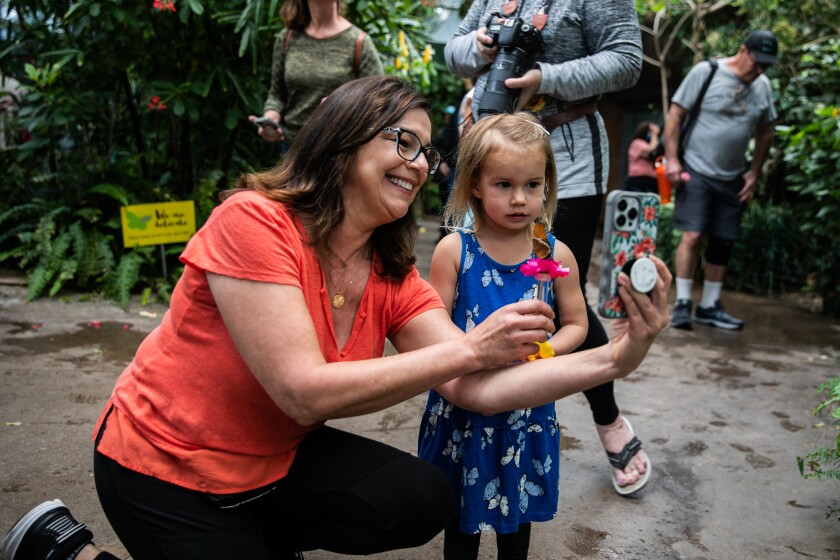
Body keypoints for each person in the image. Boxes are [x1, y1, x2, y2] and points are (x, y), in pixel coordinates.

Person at [2, 76, 671, 560]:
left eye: (427, 153)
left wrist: (616, 358)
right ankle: (63, 550)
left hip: (273, 462)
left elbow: (477, 391)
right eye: (403, 141)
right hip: (162, 467)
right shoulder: (254, 221)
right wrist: (473, 347)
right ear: (344, 137)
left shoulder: (392, 273)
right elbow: (299, 389)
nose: (419, 164)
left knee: (423, 497)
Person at [444, 0, 652, 495]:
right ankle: (476, 396)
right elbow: (454, 51)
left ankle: (607, 420)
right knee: (479, 283)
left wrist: (545, 76)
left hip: (563, 163)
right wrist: (478, 46)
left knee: (560, 294)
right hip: (489, 157)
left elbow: (626, 59)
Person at [418, 112, 588, 559]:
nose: (520, 199)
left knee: (518, 523)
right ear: (475, 183)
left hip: (525, 411)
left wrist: (544, 351)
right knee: (461, 524)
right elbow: (431, 331)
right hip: (464, 411)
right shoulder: (455, 251)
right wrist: (475, 352)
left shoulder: (552, 253)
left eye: (532, 185)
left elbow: (578, 325)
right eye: (504, 185)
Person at [664, 30, 778, 331]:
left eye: (766, 65)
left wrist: (754, 171)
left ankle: (710, 305)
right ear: (743, 50)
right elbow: (675, 115)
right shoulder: (707, 71)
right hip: (697, 169)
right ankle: (684, 302)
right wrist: (673, 159)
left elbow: (765, 132)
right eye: (757, 62)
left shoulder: (762, 86)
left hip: (734, 175)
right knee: (693, 235)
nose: (760, 70)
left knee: (723, 240)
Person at [249, 0, 383, 147]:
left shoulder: (359, 42)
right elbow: (277, 95)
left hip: (337, 150)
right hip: (293, 148)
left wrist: (341, 107)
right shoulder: (288, 38)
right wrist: (270, 121)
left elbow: (378, 101)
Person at [433, 105, 460, 240]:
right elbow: (437, 148)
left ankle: (446, 233)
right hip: (445, 173)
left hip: (451, 171)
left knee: (450, 203)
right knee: (445, 203)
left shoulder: (451, 129)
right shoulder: (444, 131)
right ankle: (444, 233)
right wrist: (441, 163)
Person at [624, 121, 661, 193]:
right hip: (638, 181)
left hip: (652, 181)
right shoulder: (637, 143)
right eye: (650, 131)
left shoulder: (650, 144)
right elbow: (651, 150)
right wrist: (654, 134)